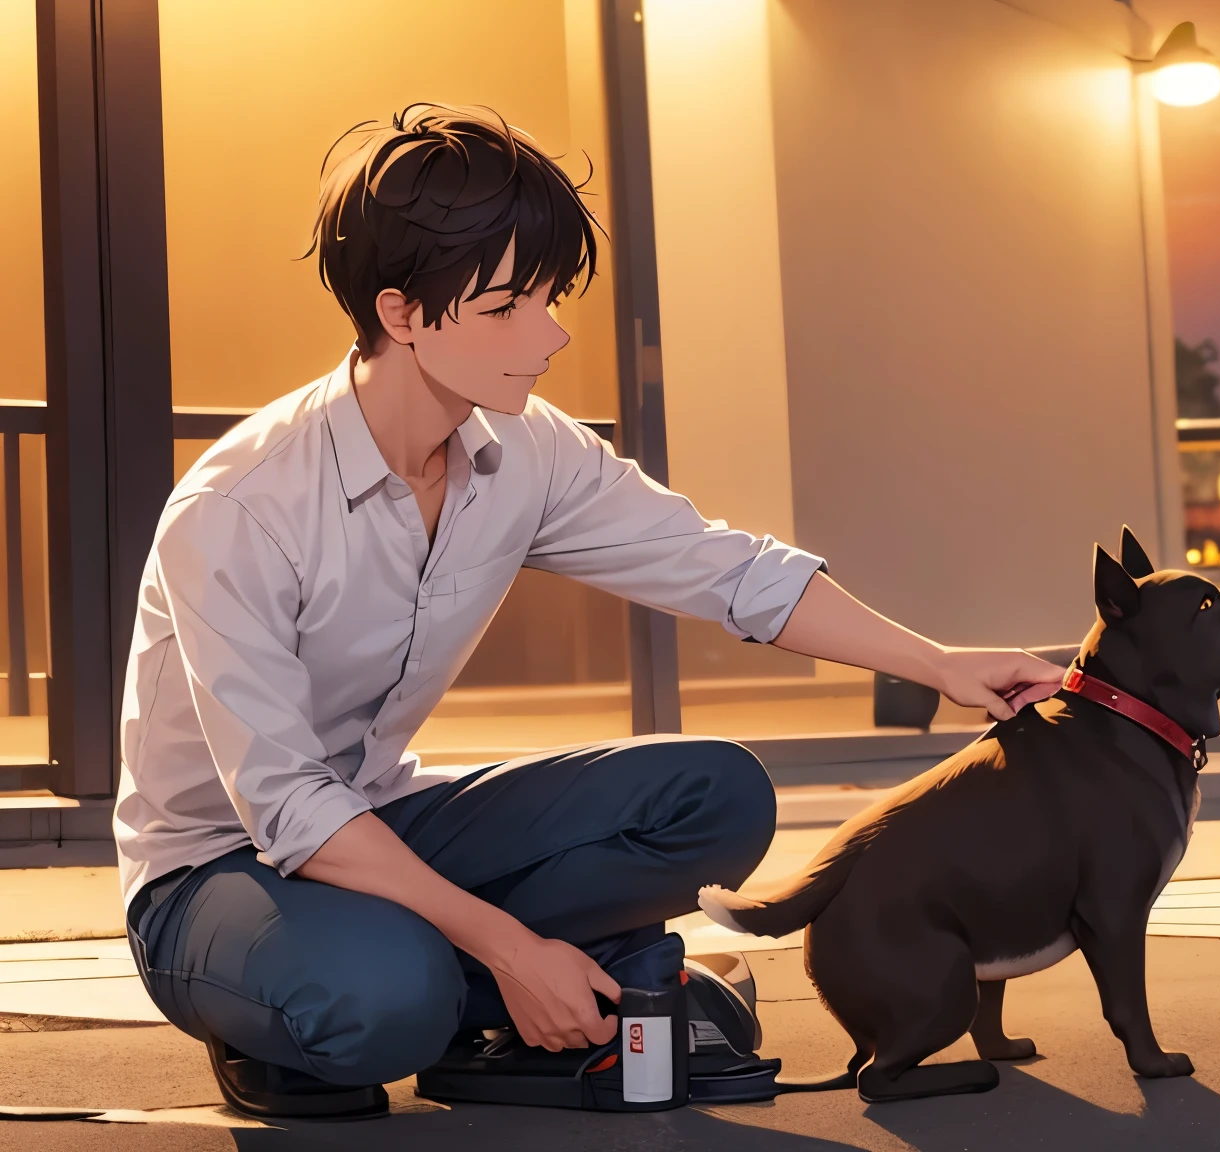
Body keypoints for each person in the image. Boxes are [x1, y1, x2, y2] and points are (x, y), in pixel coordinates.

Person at [114, 103, 1063, 1120]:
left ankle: (512, 994)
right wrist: (513, 945)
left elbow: (725, 570)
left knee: (715, 795)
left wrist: (938, 663)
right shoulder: (240, 508)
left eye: (552, 295)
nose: (554, 331)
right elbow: (290, 806)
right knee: (382, 1003)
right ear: (401, 315)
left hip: (387, 819)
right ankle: (337, 1009)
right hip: (218, 870)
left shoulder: (527, 450)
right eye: (509, 305)